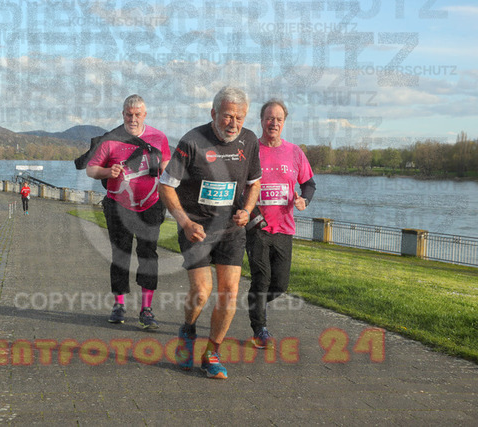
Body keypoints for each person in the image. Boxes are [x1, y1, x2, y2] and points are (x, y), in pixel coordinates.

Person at [159, 87, 261, 379]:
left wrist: (247, 210)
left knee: (229, 294)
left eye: (240, 117)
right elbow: (165, 185)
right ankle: (188, 330)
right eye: (228, 116)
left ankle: (212, 353)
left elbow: (254, 183)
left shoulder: (249, 141)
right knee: (202, 292)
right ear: (214, 113)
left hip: (231, 229)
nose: (234, 123)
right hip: (197, 229)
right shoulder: (192, 141)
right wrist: (185, 222)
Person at [85, 94, 171, 329]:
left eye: (137, 114)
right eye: (129, 114)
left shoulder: (159, 138)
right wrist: (107, 172)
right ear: (123, 114)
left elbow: (167, 168)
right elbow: (91, 169)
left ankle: (146, 309)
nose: (133, 119)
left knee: (148, 255)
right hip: (118, 206)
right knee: (120, 255)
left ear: (145, 115)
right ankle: (119, 305)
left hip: (151, 204)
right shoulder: (111, 141)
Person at [245, 98, 316, 348]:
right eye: (269, 118)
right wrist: (252, 215)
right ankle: (260, 329)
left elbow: (309, 184)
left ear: (284, 122)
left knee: (280, 284)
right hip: (257, 227)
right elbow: (238, 186)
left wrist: (304, 200)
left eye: (278, 119)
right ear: (261, 120)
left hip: (284, 228)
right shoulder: (251, 150)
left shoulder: (294, 152)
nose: (273, 123)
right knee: (262, 278)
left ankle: (255, 303)